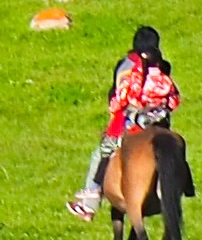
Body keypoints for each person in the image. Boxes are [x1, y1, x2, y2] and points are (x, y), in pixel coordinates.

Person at [73, 23, 180, 216]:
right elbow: (173, 99)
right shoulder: (163, 66)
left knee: (101, 152)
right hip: (160, 119)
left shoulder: (127, 67)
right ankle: (185, 185)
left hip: (133, 120)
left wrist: (115, 109)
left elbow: (120, 99)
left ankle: (91, 200)